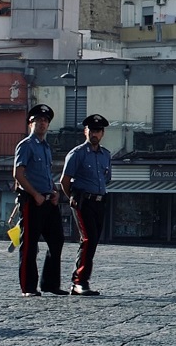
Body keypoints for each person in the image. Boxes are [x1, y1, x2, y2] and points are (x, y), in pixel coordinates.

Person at [14, 104, 66, 297]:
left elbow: (45, 174)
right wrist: (35, 194)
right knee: (29, 244)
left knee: (57, 240)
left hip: (47, 201)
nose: (42, 124)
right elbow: (18, 174)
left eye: (45, 121)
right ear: (31, 123)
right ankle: (28, 287)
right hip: (32, 201)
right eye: (38, 121)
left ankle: (50, 284)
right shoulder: (26, 145)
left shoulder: (46, 147)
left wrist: (54, 191)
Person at [60, 114, 112, 296]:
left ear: (103, 133)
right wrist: (72, 198)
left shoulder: (106, 155)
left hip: (99, 202)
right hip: (83, 201)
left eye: (98, 131)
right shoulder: (77, 154)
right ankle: (79, 281)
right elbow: (64, 180)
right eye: (91, 130)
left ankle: (82, 279)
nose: (94, 134)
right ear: (85, 131)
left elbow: (106, 179)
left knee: (94, 241)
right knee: (88, 239)